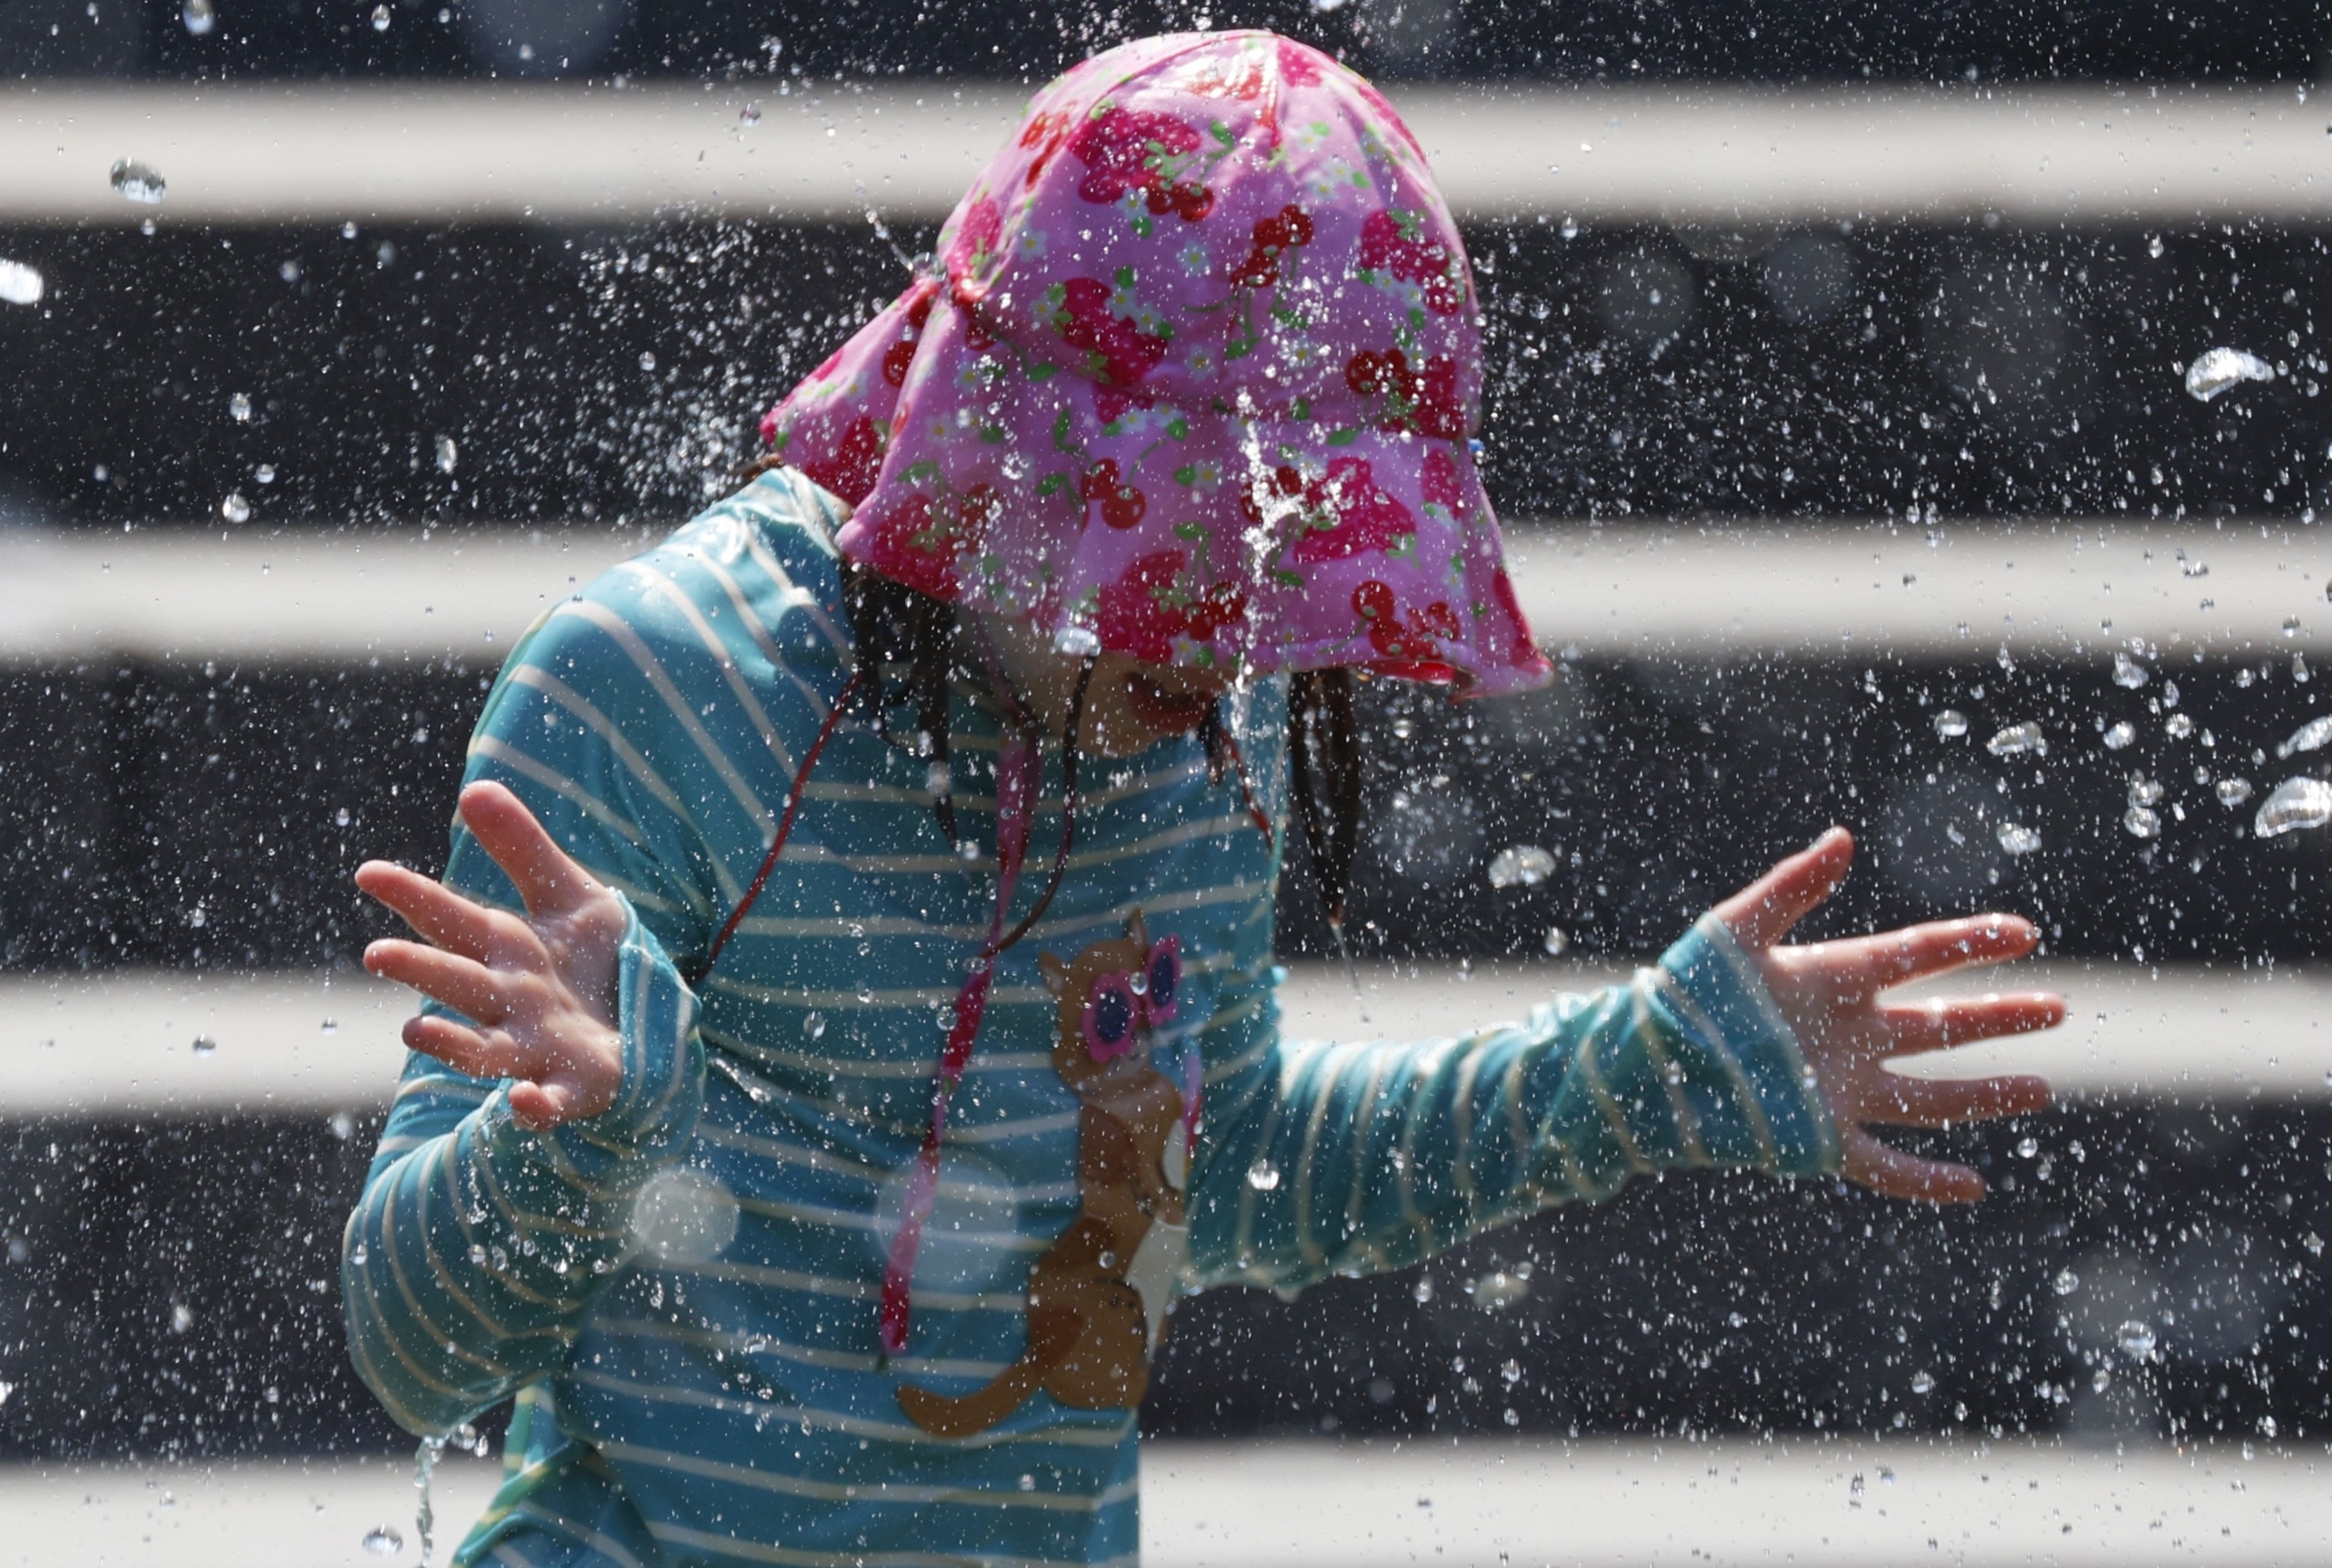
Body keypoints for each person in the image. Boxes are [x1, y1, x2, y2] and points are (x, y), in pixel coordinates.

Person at [341, 31, 2063, 1568]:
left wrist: (1641, 1071)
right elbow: (411, 1353)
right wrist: (579, 1152)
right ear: (1012, 454)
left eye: (1289, 555)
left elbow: (1214, 1172)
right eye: (1189, 552)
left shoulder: (1187, 751)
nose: (1240, 626)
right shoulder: (671, 693)